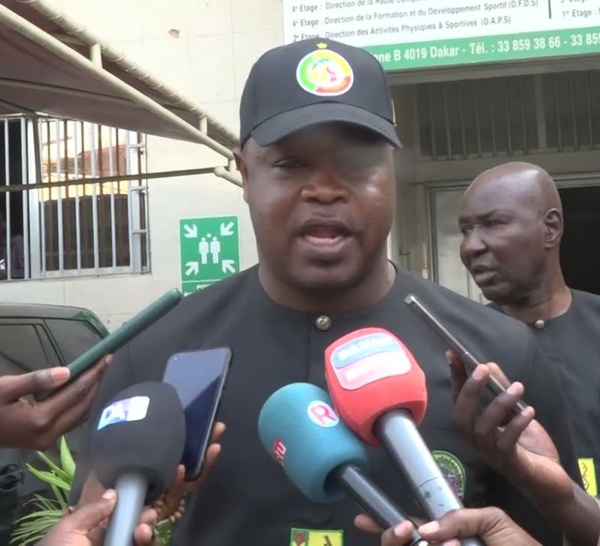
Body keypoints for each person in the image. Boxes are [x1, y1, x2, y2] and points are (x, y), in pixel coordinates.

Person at [71, 38, 582, 546]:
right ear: (245, 174)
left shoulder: (496, 357)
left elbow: (554, 528)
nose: (325, 189)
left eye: (357, 163)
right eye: (291, 164)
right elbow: (93, 524)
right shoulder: (156, 357)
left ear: (392, 175)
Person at [459, 162, 600, 497]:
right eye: (465, 230)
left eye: (492, 223)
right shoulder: (461, 347)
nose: (470, 246)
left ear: (550, 228)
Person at [0, 210, 25, 279]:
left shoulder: (17, 242)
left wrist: (7, 274)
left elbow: (29, 271)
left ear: (4, 224)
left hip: (15, 288)